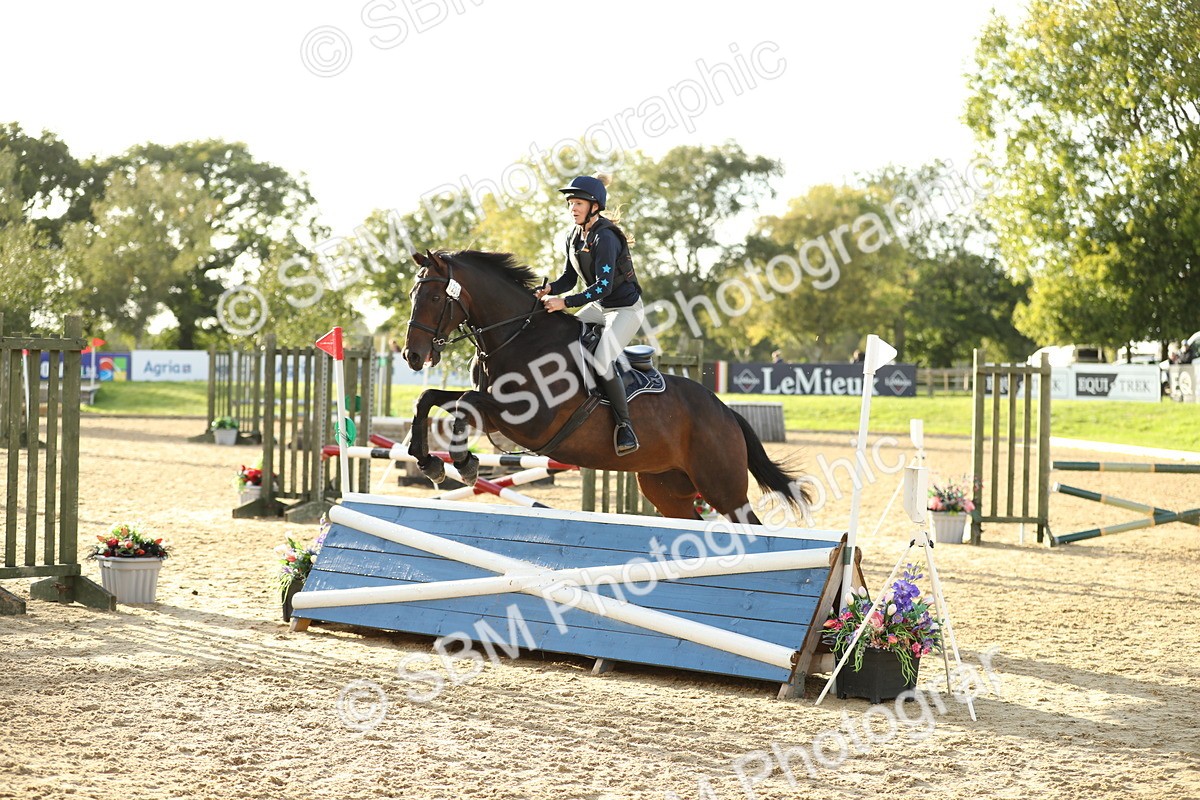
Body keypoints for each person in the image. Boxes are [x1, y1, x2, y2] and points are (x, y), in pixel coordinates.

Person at [535, 173, 644, 455]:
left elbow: (604, 287)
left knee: (602, 358)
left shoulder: (605, 237)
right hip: (599, 307)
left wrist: (565, 302)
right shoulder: (574, 236)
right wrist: (548, 289)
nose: (572, 208)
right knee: (561, 335)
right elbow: (568, 279)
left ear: (594, 205)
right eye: (570, 203)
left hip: (624, 309)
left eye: (578, 203)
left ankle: (625, 426)